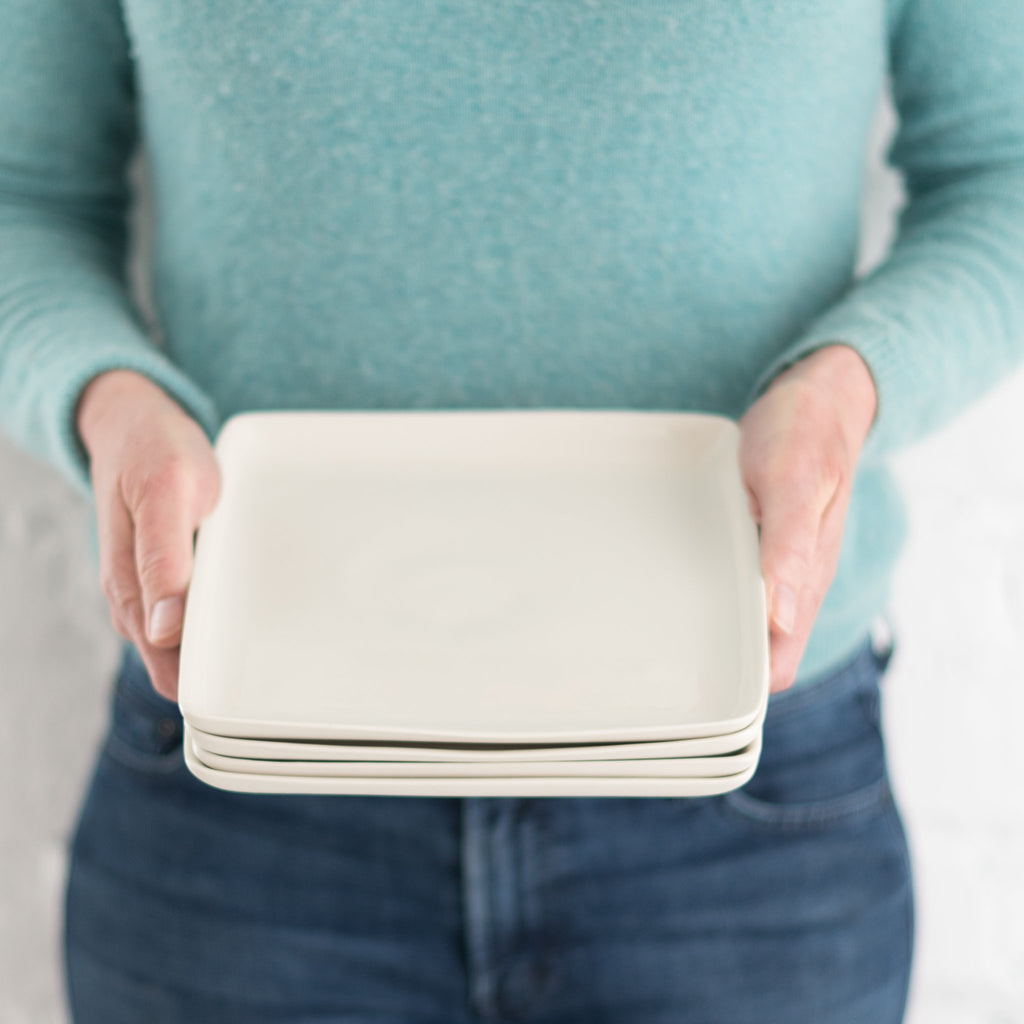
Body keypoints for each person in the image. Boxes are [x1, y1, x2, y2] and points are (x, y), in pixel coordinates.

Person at [2, 2, 1022, 1021]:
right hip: (245, 766)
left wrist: (844, 393)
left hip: (742, 781)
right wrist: (107, 400)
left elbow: (1000, 168)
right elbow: (24, 194)